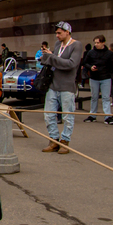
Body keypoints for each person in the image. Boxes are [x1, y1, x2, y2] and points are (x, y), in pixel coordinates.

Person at [40, 21, 83, 154]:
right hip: (53, 84)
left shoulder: (76, 45)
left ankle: (65, 141)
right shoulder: (58, 44)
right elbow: (54, 61)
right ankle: (54, 140)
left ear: (67, 32)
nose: (57, 36)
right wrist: (47, 56)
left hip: (67, 86)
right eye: (56, 33)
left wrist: (52, 57)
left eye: (59, 33)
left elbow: (71, 64)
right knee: (48, 114)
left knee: (67, 116)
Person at [82, 35, 113, 125]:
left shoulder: (109, 53)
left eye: (98, 42)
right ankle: (92, 115)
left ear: (103, 43)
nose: (96, 44)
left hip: (106, 78)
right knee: (94, 97)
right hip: (94, 78)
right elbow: (85, 62)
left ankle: (107, 116)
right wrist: (90, 67)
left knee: (106, 98)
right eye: (95, 43)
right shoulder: (91, 52)